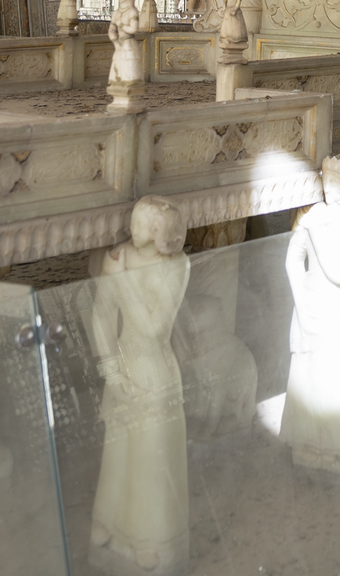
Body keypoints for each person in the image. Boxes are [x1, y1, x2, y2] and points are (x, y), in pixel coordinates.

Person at [87, 196, 191, 574]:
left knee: (151, 456)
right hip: (125, 363)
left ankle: (152, 538)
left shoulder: (176, 266)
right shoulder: (117, 260)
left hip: (155, 368)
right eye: (134, 220)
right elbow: (100, 316)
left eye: (144, 224)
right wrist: (111, 370)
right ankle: (110, 523)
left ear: (162, 233)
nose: (134, 228)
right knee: (118, 451)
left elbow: (153, 328)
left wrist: (122, 277)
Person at [280, 153, 340, 474]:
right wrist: (301, 305)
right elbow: (292, 261)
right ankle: (308, 446)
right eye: (328, 183)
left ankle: (337, 451)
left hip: (335, 306)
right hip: (309, 302)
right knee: (309, 377)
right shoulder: (312, 216)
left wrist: (316, 229)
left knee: (335, 378)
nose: (333, 191)